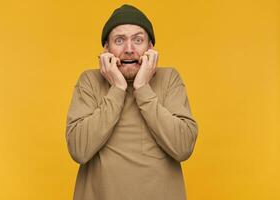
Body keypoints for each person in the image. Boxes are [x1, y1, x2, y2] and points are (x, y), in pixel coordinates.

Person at [65, 4, 198, 200]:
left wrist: (143, 87)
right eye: (119, 40)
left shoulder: (170, 79)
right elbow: (78, 149)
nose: (129, 49)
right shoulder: (89, 82)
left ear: (150, 48)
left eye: (138, 40)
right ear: (106, 49)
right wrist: (117, 89)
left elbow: (183, 147)